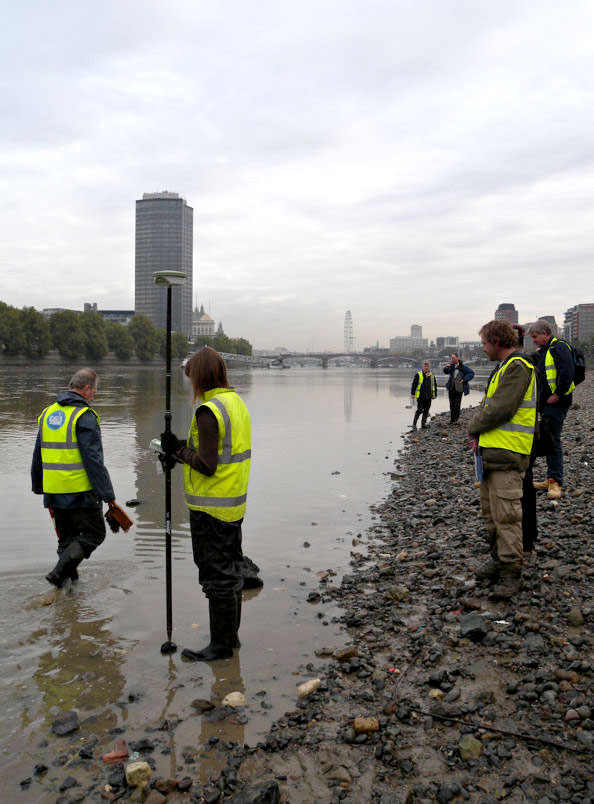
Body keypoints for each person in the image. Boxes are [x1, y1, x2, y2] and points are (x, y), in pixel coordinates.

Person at [161, 347, 251, 661]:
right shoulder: (234, 403)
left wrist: (179, 452)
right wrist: (178, 449)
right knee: (231, 572)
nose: (190, 385)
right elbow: (220, 450)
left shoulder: (208, 411)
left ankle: (221, 647)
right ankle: (231, 639)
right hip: (231, 505)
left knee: (216, 578)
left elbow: (208, 463)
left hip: (211, 508)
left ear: (200, 376)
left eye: (191, 378)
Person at [31, 368, 118, 588]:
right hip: (79, 491)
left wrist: (38, 486)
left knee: (67, 541)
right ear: (87, 389)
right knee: (95, 533)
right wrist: (108, 495)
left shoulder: (48, 413)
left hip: (54, 491)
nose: (94, 396)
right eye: (94, 391)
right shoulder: (84, 415)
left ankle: (68, 594)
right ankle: (59, 575)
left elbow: (37, 455)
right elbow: (93, 460)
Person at [469, 320, 536, 600]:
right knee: (491, 514)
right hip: (493, 454)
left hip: (509, 454)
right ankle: (498, 561)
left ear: (497, 341)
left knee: (507, 516)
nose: (483, 349)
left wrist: (472, 427)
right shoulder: (503, 368)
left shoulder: (518, 367)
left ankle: (511, 573)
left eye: (485, 343)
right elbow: (490, 405)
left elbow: (500, 408)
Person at [529, 320, 575, 500]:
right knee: (549, 439)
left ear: (545, 333)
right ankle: (551, 478)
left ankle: (555, 480)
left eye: (535, 337)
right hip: (548, 404)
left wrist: (558, 394)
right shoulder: (546, 350)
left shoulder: (558, 348)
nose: (533, 340)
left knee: (553, 440)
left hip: (556, 403)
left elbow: (567, 373)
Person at [443, 353, 475, 424]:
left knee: (457, 405)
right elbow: (445, 371)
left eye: (453, 358)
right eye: (451, 358)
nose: (452, 359)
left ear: (457, 358)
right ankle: (452, 420)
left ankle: (456, 420)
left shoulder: (463, 367)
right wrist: (446, 367)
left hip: (459, 388)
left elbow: (472, 373)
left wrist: (464, 379)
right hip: (451, 388)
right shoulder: (451, 366)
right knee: (451, 404)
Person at [410, 361, 437, 429]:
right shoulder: (418, 374)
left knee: (426, 410)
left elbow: (434, 385)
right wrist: (412, 393)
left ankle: (423, 424)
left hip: (429, 396)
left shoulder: (432, 375)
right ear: (423, 367)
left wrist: (435, 394)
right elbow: (414, 384)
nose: (426, 367)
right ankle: (414, 424)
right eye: (425, 366)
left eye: (427, 366)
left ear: (429, 367)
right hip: (421, 396)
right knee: (419, 410)